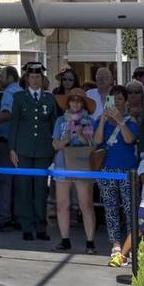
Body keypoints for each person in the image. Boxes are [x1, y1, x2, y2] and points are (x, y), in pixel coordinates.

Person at [7, 64, 57, 242]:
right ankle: (27, 227)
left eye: (38, 77)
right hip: (24, 149)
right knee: (24, 190)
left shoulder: (49, 99)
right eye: (32, 77)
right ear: (27, 79)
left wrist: (55, 151)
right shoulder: (19, 97)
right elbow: (14, 124)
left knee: (41, 190)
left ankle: (41, 227)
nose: (35, 80)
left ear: (42, 79)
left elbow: (54, 125)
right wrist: (12, 148)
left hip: (43, 150)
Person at [96, 82, 141, 265]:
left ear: (126, 102)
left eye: (120, 99)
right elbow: (97, 141)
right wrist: (102, 121)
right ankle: (115, 244)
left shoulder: (131, 121)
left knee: (131, 209)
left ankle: (130, 247)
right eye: (113, 99)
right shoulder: (103, 120)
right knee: (110, 208)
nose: (116, 103)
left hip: (127, 170)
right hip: (107, 169)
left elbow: (130, 139)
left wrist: (120, 121)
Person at [51, 87, 99, 252]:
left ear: (83, 103)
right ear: (68, 103)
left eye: (79, 100)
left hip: (82, 165)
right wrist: (66, 138)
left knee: (85, 204)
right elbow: (55, 144)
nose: (75, 103)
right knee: (62, 204)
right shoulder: (60, 121)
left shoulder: (89, 122)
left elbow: (93, 145)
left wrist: (80, 135)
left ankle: (90, 242)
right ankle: (65, 239)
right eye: (72, 100)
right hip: (62, 164)